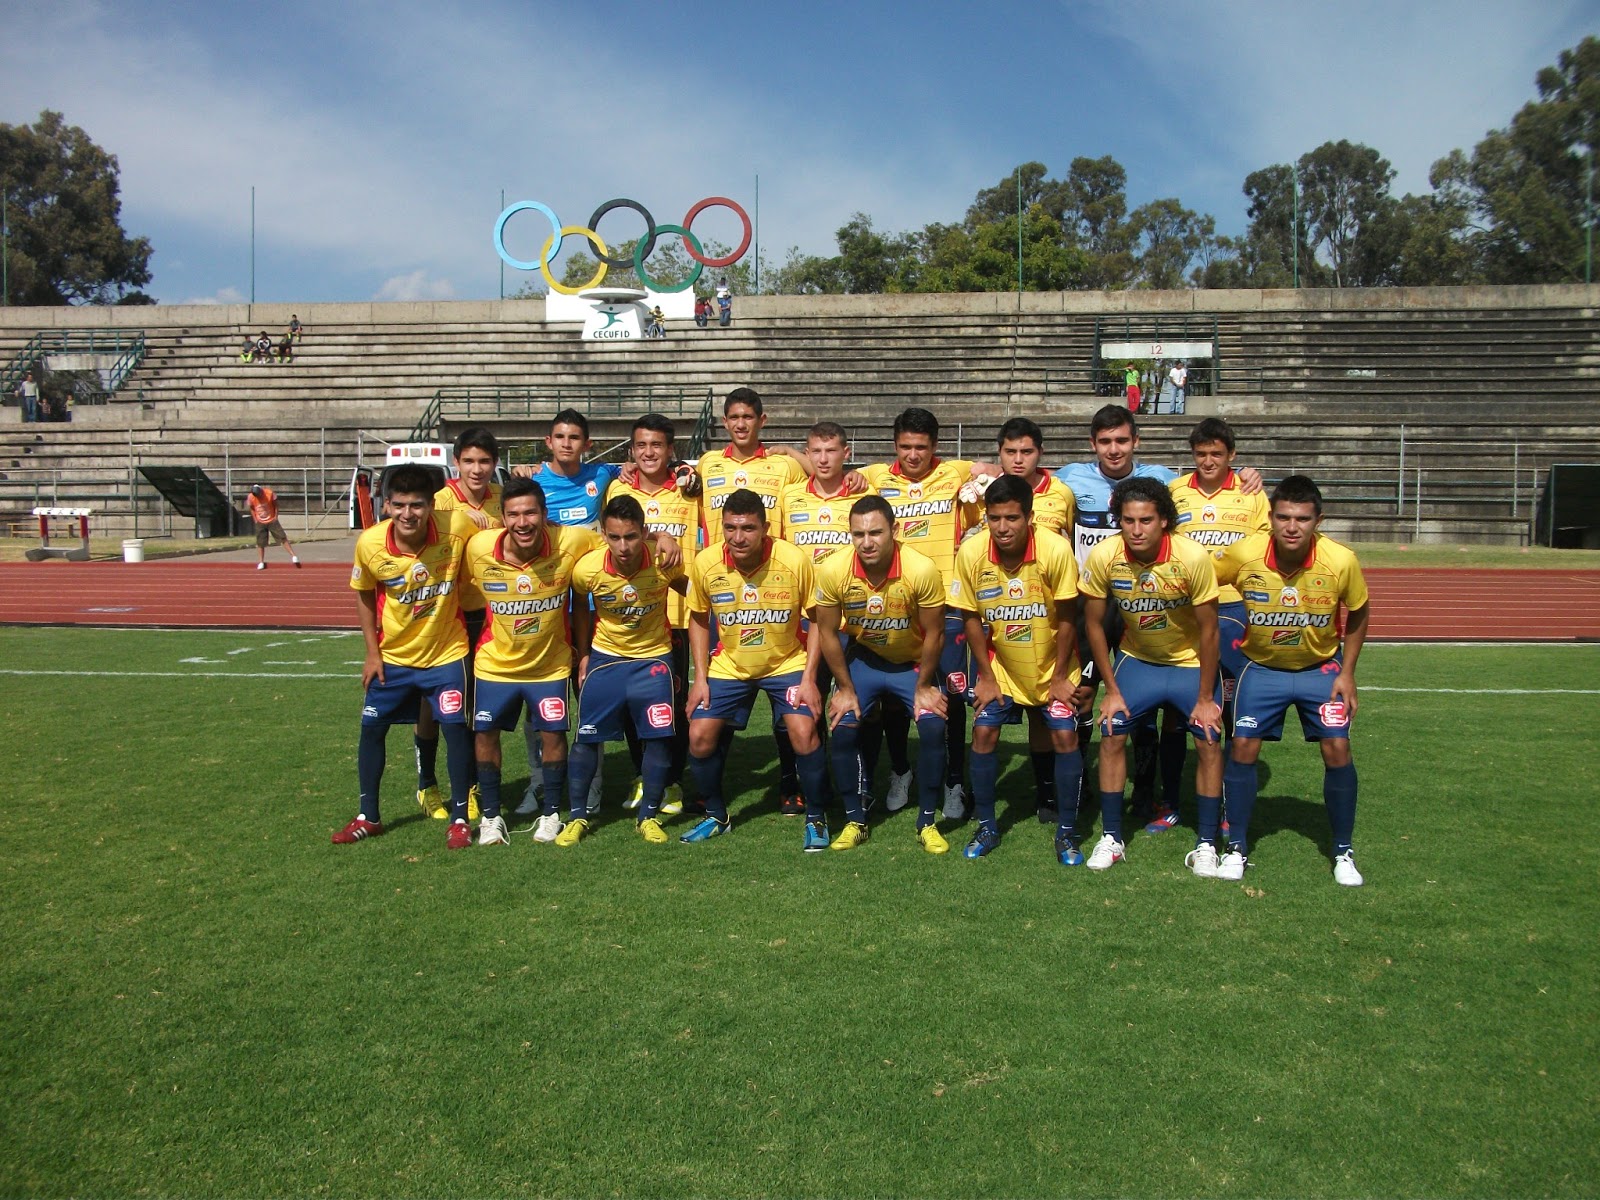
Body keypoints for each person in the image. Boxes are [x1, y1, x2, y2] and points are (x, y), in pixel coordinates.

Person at [1215, 476, 1370, 886]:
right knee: (1242, 747)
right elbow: (1202, 581)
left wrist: (1348, 673)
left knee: (1338, 749)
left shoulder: (1341, 560)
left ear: (1319, 520)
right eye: (1283, 517)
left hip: (1321, 670)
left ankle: (1343, 851)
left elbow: (1358, 610)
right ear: (1271, 517)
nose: (1292, 527)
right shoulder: (1245, 553)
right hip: (1261, 669)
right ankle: (1237, 847)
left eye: (1302, 519)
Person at [1079, 476, 1224, 873]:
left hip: (1190, 663)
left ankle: (1207, 843)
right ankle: (1111, 837)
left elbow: (1210, 631)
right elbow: (1093, 625)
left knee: (1209, 736)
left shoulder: (1192, 557)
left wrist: (1206, 698)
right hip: (1138, 660)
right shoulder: (1104, 556)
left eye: (1146, 520)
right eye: (1128, 520)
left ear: (1164, 521)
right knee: (1112, 730)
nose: (1137, 529)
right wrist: (1111, 690)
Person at [333, 466, 477, 849]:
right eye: (399, 505)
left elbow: (496, 536)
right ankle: (368, 816)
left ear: (432, 506)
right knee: (371, 729)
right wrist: (371, 653)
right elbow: (364, 594)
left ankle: (460, 819)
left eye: (416, 505)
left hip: (447, 653)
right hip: (393, 657)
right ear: (386, 505)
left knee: (455, 730)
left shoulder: (457, 527)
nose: (408, 514)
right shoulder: (370, 543)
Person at [682, 488, 831, 847]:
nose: (738, 537)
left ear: (765, 528)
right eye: (730, 528)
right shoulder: (706, 562)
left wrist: (809, 679)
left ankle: (817, 818)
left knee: (804, 731)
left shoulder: (793, 559)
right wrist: (700, 678)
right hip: (730, 665)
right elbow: (698, 619)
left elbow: (817, 619)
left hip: (786, 662)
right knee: (699, 736)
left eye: (748, 528)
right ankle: (716, 815)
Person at [861, 407, 986, 822]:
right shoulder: (876, 476)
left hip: (945, 603)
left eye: (921, 447)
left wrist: (983, 475)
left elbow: (993, 469)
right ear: (894, 445)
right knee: (893, 696)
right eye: (905, 447)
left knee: (950, 692)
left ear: (935, 446)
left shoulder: (955, 473)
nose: (913, 455)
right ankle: (901, 770)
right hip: (895, 603)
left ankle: (954, 781)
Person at [951, 475, 1084, 862]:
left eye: (1012, 518)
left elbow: (1068, 618)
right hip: (1003, 668)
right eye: (994, 518)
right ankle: (987, 826)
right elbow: (970, 617)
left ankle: (1067, 832)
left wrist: (1059, 677)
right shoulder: (971, 552)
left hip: (1053, 666)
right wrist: (986, 677)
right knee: (983, 732)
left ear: (1030, 517)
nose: (1002, 527)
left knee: (1064, 736)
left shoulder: (1056, 549)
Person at [462, 477, 599, 846]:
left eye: (530, 513)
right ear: (503, 517)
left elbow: (618, 543)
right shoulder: (479, 547)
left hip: (549, 665)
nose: (522, 522)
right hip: (495, 665)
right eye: (514, 514)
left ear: (545, 514)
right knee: (485, 734)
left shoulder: (572, 541)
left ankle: (551, 813)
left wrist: (659, 538)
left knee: (553, 735)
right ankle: (491, 816)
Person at [696, 387, 813, 814]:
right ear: (724, 422)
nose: (741, 424)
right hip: (724, 588)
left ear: (762, 421)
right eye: (734, 417)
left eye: (749, 417)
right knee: (723, 698)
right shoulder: (708, 463)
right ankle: (710, 788)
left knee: (788, 708)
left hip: (775, 586)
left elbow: (822, 474)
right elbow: (674, 481)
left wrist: (793, 451)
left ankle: (790, 784)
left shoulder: (783, 465)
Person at [813, 494, 947, 851]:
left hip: (912, 665)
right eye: (858, 534)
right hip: (866, 661)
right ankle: (855, 820)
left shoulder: (921, 569)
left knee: (933, 727)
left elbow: (935, 633)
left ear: (894, 531)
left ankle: (927, 822)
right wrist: (844, 688)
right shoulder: (833, 569)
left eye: (875, 533)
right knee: (842, 727)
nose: (867, 542)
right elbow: (827, 633)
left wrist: (924, 685)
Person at [559, 495, 688, 845]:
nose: (623, 546)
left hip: (654, 660)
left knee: (658, 738)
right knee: (587, 737)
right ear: (603, 534)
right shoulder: (587, 569)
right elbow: (580, 608)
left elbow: (693, 592)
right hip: (606, 659)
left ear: (643, 533)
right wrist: (584, 654)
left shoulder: (663, 562)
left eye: (630, 536)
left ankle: (648, 816)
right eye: (614, 537)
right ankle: (577, 816)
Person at [608, 414, 698, 818]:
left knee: (673, 702)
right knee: (633, 702)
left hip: (677, 613)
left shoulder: (689, 488)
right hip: (632, 615)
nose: (648, 452)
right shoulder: (618, 488)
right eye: (641, 445)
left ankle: (673, 780)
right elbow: (611, 536)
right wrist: (657, 534)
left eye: (657, 445)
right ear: (631, 450)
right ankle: (641, 775)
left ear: (670, 450)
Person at [1170, 417, 1270, 759]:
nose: (1208, 461)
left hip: (1234, 607)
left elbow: (1263, 547)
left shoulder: (1252, 492)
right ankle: (1172, 785)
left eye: (1216, 454)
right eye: (1201, 454)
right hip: (1186, 607)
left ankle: (1230, 776)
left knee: (1231, 698)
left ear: (1232, 455)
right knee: (1179, 704)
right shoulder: (1176, 490)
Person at [245, 485, 300, 569]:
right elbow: (252, 508)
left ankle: (293, 556)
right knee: (260, 542)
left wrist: (275, 516)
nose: (259, 496)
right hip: (260, 521)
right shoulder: (251, 497)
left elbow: (276, 505)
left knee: (282, 537)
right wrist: (255, 519)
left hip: (271, 519)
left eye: (259, 494)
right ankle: (261, 562)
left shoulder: (269, 493)